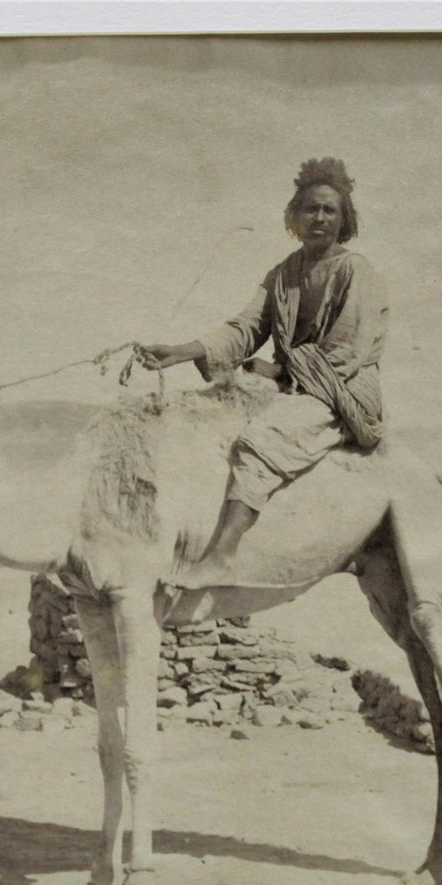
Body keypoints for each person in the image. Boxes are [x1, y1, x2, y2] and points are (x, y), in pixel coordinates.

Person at [138, 157, 389, 588]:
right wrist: (182, 351)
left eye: (330, 210)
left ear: (344, 219)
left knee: (259, 441)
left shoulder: (355, 271)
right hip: (298, 386)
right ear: (294, 216)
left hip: (342, 394)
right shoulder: (283, 274)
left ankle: (222, 556)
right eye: (310, 208)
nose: (319, 218)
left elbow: (347, 352)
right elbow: (246, 328)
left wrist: (278, 374)